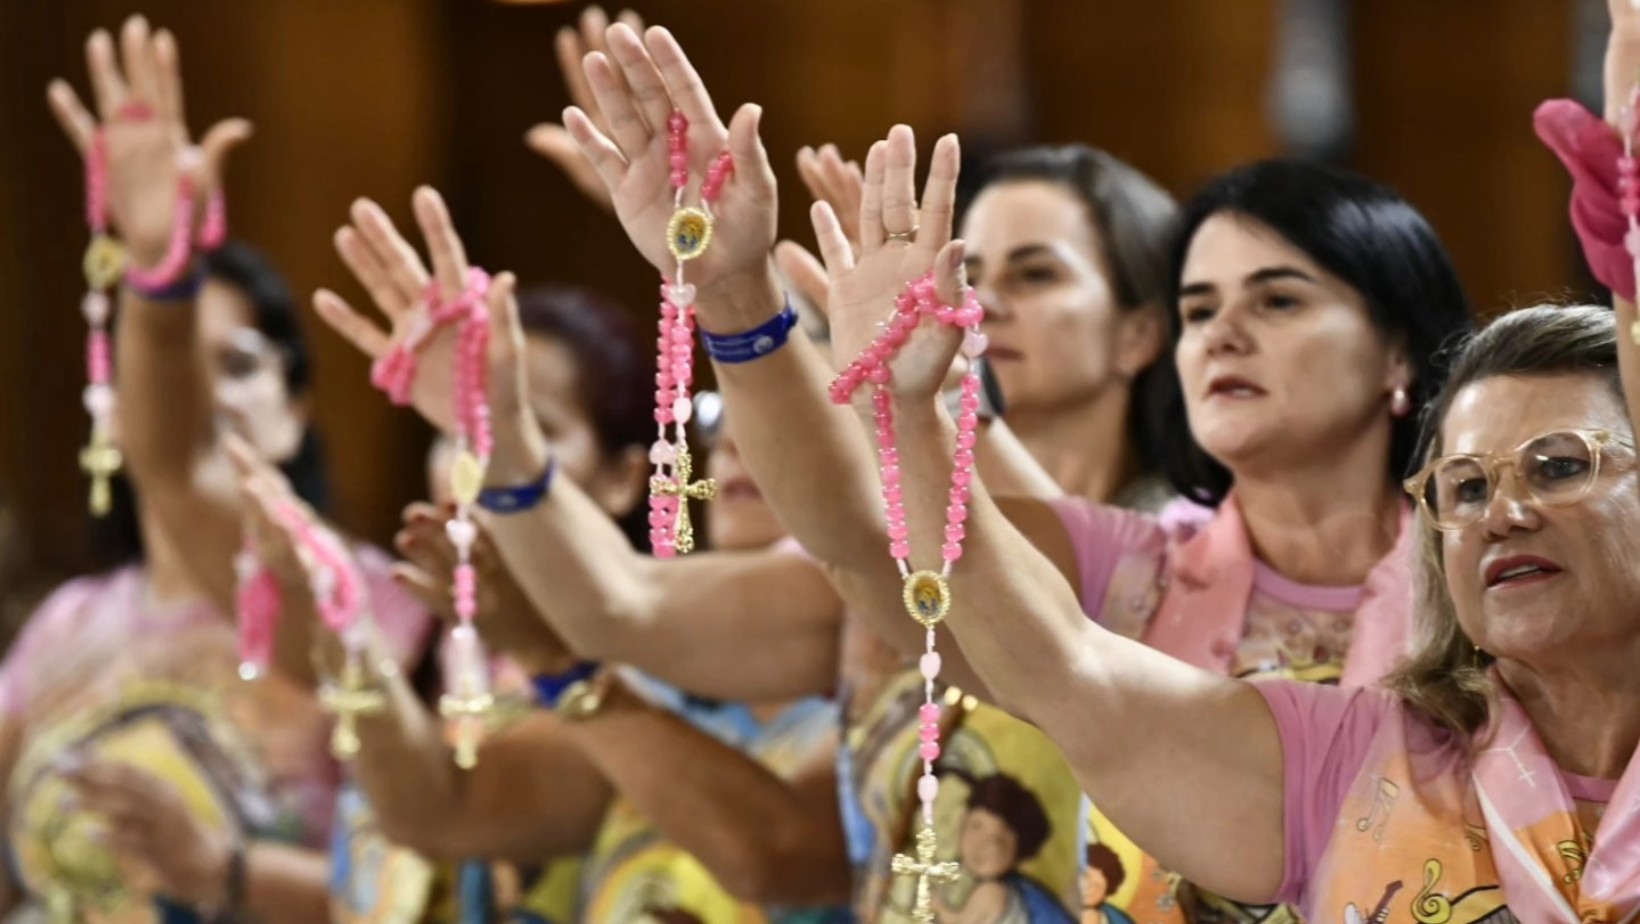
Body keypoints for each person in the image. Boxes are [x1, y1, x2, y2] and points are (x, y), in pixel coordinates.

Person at [553, 22, 1472, 923]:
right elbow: (862, 547)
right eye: (1200, 307)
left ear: (1398, 350)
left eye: (1278, 299)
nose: (1224, 333)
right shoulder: (1134, 565)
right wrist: (735, 295)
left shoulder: (1486, 582)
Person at [295, 189, 852, 921]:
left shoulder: (892, 638)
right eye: (724, 410)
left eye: (799, 402)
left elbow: (778, 857)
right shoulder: (659, 683)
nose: (736, 441)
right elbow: (445, 807)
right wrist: (338, 624)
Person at [0, 18, 431, 922]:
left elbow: (422, 888)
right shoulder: (67, 625)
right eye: (170, 368)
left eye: (232, 364)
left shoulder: (373, 603)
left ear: (299, 403)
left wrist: (224, 875)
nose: (199, 399)